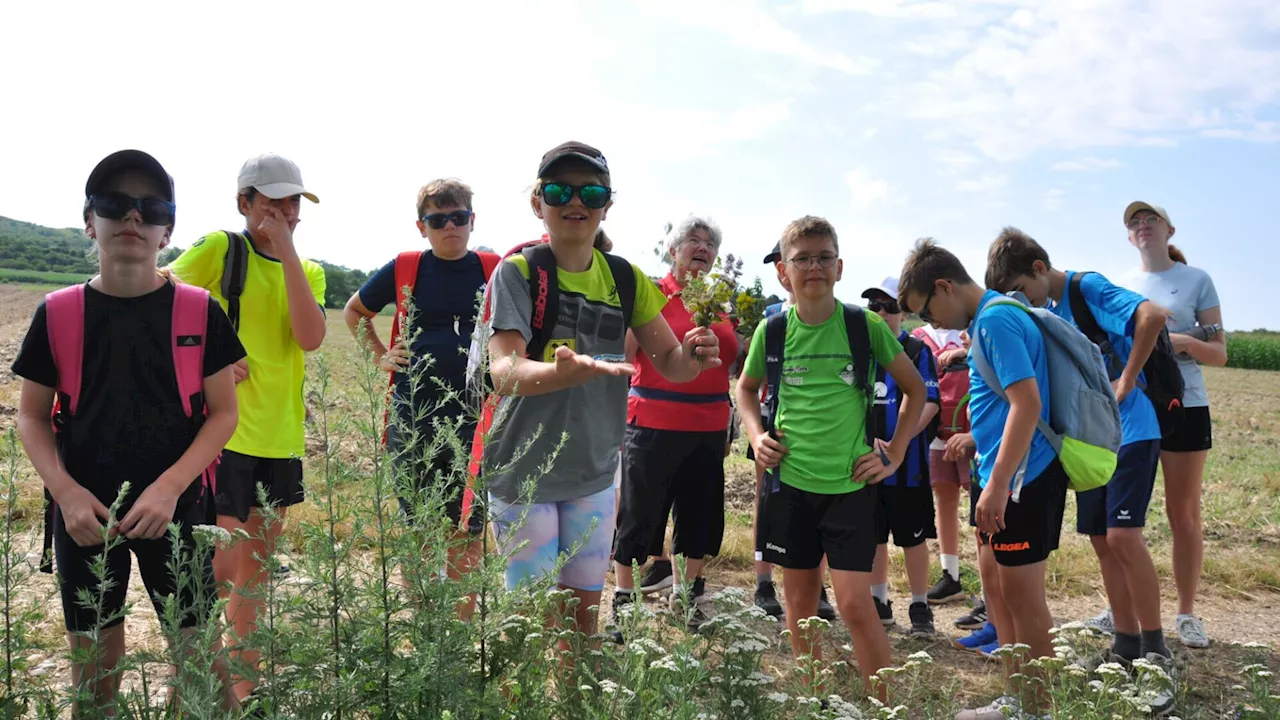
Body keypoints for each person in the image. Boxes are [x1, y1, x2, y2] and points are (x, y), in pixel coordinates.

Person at [14, 150, 245, 714]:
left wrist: (168, 489)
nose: (132, 218)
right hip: (83, 516)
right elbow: (31, 415)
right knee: (94, 673)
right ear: (89, 222)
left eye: (150, 207)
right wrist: (65, 494)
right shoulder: (59, 312)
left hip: (180, 506)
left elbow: (223, 413)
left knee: (202, 666)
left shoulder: (198, 311)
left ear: (168, 230)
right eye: (115, 205)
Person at [481, 141, 719, 642]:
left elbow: (671, 365)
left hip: (592, 475)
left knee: (580, 619)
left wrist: (695, 356)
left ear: (607, 204)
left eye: (591, 191)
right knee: (524, 624)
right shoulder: (519, 272)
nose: (576, 201)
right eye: (558, 190)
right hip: (524, 473)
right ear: (536, 202)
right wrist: (559, 374)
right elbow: (502, 368)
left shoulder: (626, 278)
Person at [986, 227, 1175, 714]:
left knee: (1125, 538)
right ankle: (1126, 646)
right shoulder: (1044, 310)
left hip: (1130, 428)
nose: (1016, 301)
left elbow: (1152, 314)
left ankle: (1158, 653)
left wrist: (1127, 379)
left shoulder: (1085, 288)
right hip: (1090, 446)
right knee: (1101, 541)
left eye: (1019, 290)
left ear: (1040, 270)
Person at [737, 216, 926, 698]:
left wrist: (897, 451)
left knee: (855, 607)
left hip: (851, 490)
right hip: (791, 487)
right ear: (783, 272)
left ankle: (883, 708)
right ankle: (812, 702)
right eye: (801, 258)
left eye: (823, 257)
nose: (813, 266)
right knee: (799, 606)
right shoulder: (772, 330)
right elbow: (746, 389)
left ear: (839, 267)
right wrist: (757, 436)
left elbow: (915, 389)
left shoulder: (863, 327)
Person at [167, 153, 327, 701]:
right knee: (213, 569)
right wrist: (203, 359)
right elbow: (157, 295)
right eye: (272, 201)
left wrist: (285, 252)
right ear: (244, 203)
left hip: (279, 438)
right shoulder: (219, 248)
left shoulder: (308, 270)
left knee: (255, 575)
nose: (285, 212)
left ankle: (242, 695)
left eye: (293, 203)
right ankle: (194, 686)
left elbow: (309, 337)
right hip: (223, 435)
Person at [898, 238, 1064, 720]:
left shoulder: (993, 321)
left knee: (1023, 596)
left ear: (944, 286)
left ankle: (1039, 707)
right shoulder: (993, 317)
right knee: (996, 585)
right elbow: (1006, 400)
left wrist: (996, 486)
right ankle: (1018, 698)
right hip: (1004, 472)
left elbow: (1027, 403)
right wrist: (976, 440)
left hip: (1021, 480)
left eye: (925, 310)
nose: (930, 324)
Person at [342, 178, 491, 618]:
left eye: (458, 217)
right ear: (421, 226)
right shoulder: (406, 267)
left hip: (473, 419)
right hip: (413, 419)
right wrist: (380, 358)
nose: (450, 226)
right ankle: (427, 627)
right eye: (438, 220)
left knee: (466, 527)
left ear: (471, 220)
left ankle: (460, 632)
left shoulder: (493, 268)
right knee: (419, 526)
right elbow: (354, 312)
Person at [611, 215, 739, 634]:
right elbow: (625, 361)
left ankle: (686, 601)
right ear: (672, 250)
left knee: (699, 515)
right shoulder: (651, 294)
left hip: (708, 425)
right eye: (692, 240)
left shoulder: (721, 303)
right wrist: (615, 422)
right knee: (639, 514)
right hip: (652, 422)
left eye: (709, 244)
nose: (701, 248)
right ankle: (625, 602)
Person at [1114, 202, 1226, 650]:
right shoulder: (1120, 284)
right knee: (1122, 519)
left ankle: (1186, 612)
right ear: (1129, 236)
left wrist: (1176, 340)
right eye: (1134, 222)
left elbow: (1219, 351)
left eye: (1150, 220)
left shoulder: (1196, 279)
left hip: (1186, 404)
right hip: (1134, 408)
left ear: (1168, 229)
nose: (1142, 226)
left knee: (1183, 515)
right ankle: (1121, 608)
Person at [861, 277, 941, 638]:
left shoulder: (917, 351)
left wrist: (898, 443)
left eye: (888, 306)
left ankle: (920, 604)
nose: (880, 312)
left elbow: (930, 401)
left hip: (907, 468)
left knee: (912, 538)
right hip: (868, 465)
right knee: (873, 537)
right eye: (872, 306)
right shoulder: (859, 350)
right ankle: (879, 601)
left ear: (903, 312)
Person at [912, 322, 972, 609]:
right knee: (945, 502)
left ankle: (995, 583)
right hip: (938, 434)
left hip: (974, 434)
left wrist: (965, 351)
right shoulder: (919, 336)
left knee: (983, 506)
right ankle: (951, 575)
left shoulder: (971, 326)